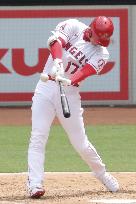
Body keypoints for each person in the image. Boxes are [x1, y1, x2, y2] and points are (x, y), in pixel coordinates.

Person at [27, 16, 119, 198]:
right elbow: (55, 41)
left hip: (69, 93)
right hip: (45, 88)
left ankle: (102, 174)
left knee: (81, 143)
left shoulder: (102, 53)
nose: (101, 42)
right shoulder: (73, 26)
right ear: (91, 30)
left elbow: (85, 72)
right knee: (38, 136)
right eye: (99, 38)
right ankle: (35, 184)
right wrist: (58, 62)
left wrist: (69, 79)